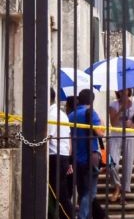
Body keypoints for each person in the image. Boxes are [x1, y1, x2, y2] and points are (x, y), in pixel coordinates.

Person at [69, 88, 105, 219]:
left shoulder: (71, 115)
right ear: (92, 101)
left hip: (76, 158)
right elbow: (100, 133)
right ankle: (82, 216)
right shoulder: (91, 113)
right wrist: (101, 121)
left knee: (82, 190)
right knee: (91, 191)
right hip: (90, 157)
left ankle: (85, 215)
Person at [107, 88, 134, 204]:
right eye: (120, 90)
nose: (122, 92)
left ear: (129, 91)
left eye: (125, 90)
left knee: (128, 166)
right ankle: (117, 186)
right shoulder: (113, 105)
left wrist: (132, 125)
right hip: (115, 136)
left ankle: (123, 194)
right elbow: (113, 123)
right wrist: (121, 109)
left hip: (130, 137)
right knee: (112, 163)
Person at [48, 88, 74, 219]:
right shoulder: (62, 114)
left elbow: (47, 137)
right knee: (59, 193)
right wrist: (68, 159)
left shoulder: (51, 115)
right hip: (62, 156)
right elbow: (68, 139)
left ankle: (68, 216)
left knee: (58, 194)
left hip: (55, 157)